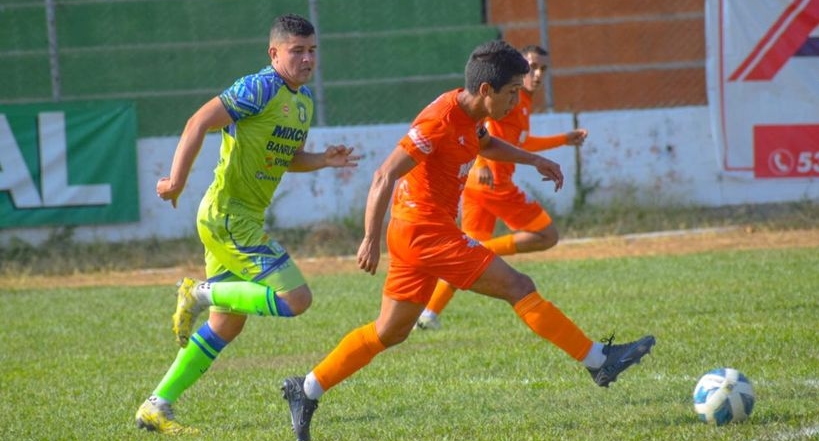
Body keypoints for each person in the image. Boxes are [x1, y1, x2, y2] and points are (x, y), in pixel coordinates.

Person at [279, 40, 655, 441]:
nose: (516, 100)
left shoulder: (470, 113)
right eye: (512, 92)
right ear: (487, 91)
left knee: (390, 331)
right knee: (519, 287)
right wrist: (369, 238)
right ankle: (598, 360)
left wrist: (536, 160)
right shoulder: (438, 121)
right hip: (425, 232)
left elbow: (485, 143)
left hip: (416, 231)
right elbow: (384, 174)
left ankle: (306, 389)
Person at [134, 13, 360, 435]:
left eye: (312, 50)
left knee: (227, 323)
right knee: (296, 299)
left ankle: (156, 405)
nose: (307, 58)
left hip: (239, 219)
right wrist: (177, 180)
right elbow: (198, 122)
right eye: (297, 51)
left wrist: (324, 160)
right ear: (274, 53)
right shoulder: (260, 87)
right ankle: (196, 292)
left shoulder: (303, 100)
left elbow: (287, 158)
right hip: (228, 217)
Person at [416, 44, 588, 331]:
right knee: (546, 234)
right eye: (532, 66)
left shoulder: (521, 102)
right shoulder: (508, 96)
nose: (537, 74)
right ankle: (479, 253)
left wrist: (561, 140)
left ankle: (428, 315)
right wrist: (482, 164)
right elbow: (478, 122)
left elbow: (519, 141)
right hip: (494, 184)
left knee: (463, 255)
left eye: (543, 69)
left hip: (476, 187)